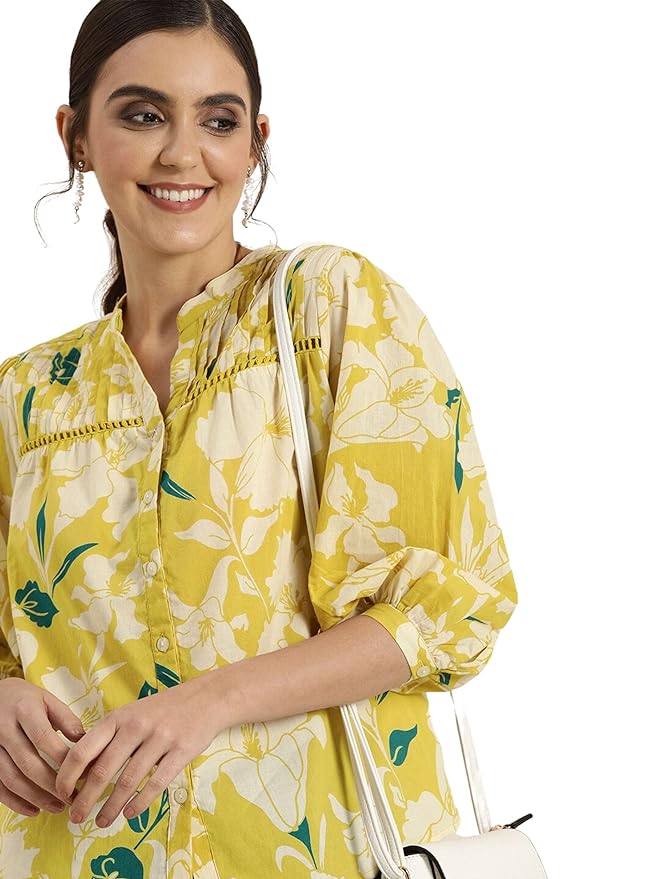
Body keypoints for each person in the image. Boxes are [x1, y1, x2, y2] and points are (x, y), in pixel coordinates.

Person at [0, 2, 519, 877]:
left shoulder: (331, 308)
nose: (182, 153)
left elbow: (452, 606)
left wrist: (209, 701)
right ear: (75, 137)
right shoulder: (26, 396)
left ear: (255, 143)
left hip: (324, 849)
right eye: (142, 114)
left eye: (217, 121)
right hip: (76, 852)